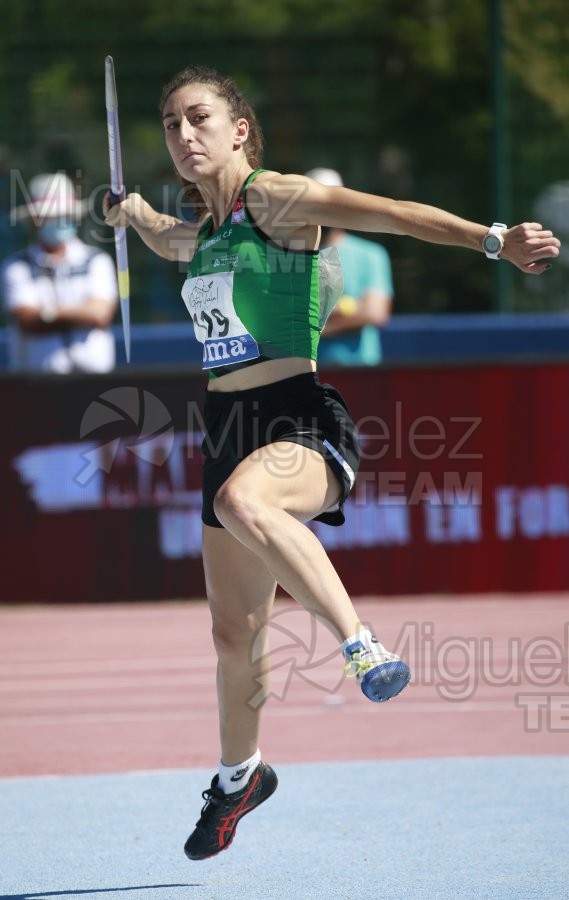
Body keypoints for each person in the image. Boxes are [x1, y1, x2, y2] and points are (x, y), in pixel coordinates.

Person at [103, 65, 560, 861]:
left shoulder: (274, 198)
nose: (183, 136)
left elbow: (391, 215)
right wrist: (127, 209)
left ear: (240, 128)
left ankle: (359, 645)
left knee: (251, 504)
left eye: (198, 118)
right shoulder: (205, 232)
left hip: (299, 417)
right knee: (232, 634)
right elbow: (166, 237)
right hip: (225, 425)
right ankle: (238, 773)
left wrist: (493, 240)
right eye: (171, 124)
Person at [1, 172, 118, 373]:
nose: (59, 220)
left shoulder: (97, 261)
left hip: (95, 383)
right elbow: (26, 320)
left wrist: (47, 313)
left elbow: (100, 314)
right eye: (51, 216)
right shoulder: (16, 267)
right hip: (36, 387)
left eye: (63, 215)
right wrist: (80, 314)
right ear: (33, 221)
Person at [305, 166, 393, 365]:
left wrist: (313, 331)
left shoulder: (371, 254)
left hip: (359, 375)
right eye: (315, 200)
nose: (324, 207)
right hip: (307, 377)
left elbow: (374, 312)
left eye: (331, 199)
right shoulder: (285, 255)